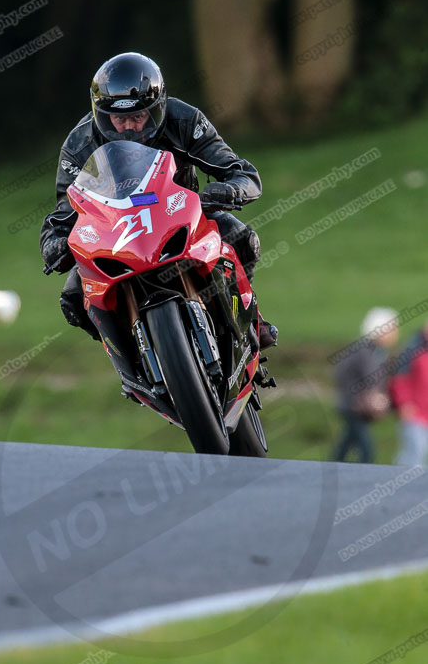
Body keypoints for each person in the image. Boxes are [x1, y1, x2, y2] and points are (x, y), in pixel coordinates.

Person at [39, 52, 277, 347]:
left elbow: (241, 172)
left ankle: (250, 319)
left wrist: (228, 189)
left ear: (157, 108)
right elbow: (63, 213)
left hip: (182, 217)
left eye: (138, 117)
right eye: (119, 118)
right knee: (74, 299)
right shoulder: (78, 145)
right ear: (101, 114)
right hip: (115, 236)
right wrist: (55, 243)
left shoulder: (184, 119)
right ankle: (129, 355)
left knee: (241, 237)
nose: (129, 127)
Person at [332, 307, 398, 463]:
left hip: (359, 408)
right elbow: (345, 376)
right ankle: (363, 482)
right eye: (392, 328)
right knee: (366, 447)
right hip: (352, 407)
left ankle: (330, 471)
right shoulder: (363, 350)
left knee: (346, 444)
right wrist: (366, 396)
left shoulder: (377, 350)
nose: (395, 333)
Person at [390, 318, 428, 466]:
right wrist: (404, 403)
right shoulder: (412, 349)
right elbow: (400, 379)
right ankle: (404, 486)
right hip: (414, 412)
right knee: (414, 452)